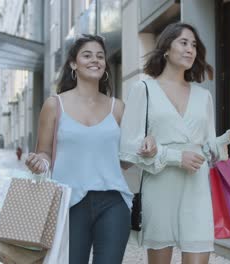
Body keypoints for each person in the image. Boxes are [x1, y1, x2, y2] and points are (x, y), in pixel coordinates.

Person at [119, 22, 230, 264]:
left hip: (196, 189)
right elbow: (128, 149)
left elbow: (206, 150)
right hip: (160, 189)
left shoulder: (204, 96)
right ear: (166, 48)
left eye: (194, 45)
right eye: (183, 42)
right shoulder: (144, 89)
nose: (190, 49)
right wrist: (173, 156)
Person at [25, 34, 156, 264]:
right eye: (87, 55)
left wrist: (145, 147)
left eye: (100, 56)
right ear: (74, 63)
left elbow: (125, 161)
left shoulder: (118, 108)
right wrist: (39, 161)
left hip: (114, 202)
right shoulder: (55, 105)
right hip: (68, 203)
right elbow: (44, 152)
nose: (95, 60)